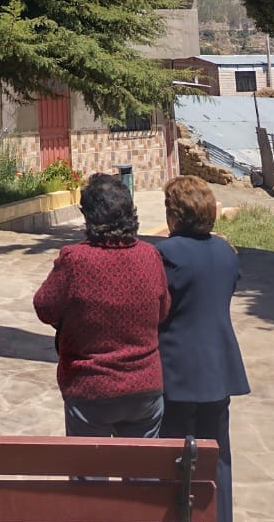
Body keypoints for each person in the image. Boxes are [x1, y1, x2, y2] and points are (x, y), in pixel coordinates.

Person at [33, 173, 171, 437]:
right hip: (144, 385)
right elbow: (163, 310)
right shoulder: (150, 256)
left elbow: (44, 307)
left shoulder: (75, 259)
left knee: (88, 475)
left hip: (88, 387)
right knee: (143, 474)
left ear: (90, 217)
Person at [153, 176, 249, 522]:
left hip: (174, 370)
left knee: (169, 460)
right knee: (216, 461)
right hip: (218, 370)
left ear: (174, 215)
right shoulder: (226, 252)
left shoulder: (164, 255)